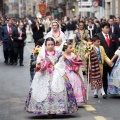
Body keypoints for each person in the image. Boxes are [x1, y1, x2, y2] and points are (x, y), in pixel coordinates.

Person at [25, 37, 78, 115]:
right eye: (48, 44)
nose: (50, 46)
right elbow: (38, 63)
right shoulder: (42, 53)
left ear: (54, 45)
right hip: (44, 73)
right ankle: (45, 109)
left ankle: (56, 109)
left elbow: (62, 63)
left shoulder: (59, 53)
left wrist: (55, 68)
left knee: (59, 88)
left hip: (57, 72)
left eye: (52, 44)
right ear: (46, 45)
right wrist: (42, 66)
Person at [97, 22, 119, 95]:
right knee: (104, 76)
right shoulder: (98, 36)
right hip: (103, 60)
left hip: (112, 59)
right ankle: (105, 90)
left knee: (112, 75)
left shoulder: (113, 36)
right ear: (102, 28)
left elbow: (116, 48)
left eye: (108, 28)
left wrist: (114, 59)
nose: (107, 29)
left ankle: (112, 90)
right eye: (106, 28)